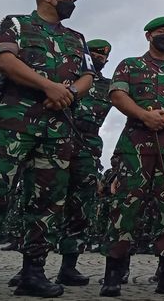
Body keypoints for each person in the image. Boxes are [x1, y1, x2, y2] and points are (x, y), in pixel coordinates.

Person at [0, 0, 95, 301]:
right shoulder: (15, 24)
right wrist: (49, 87)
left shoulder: (77, 37)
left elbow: (87, 75)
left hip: (58, 128)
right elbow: (4, 60)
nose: (72, 2)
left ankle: (34, 271)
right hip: (13, 123)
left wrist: (69, 93)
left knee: (48, 202)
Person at [100, 16, 164, 297]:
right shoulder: (129, 65)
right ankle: (113, 273)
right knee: (125, 208)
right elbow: (118, 95)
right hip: (134, 146)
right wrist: (144, 115)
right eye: (161, 32)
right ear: (148, 36)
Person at [56, 39, 114, 285]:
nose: (100, 58)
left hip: (88, 147)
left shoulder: (109, 87)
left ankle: (69, 266)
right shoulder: (64, 77)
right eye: (95, 54)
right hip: (56, 141)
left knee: (80, 207)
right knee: (44, 201)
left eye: (104, 56)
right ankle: (31, 265)